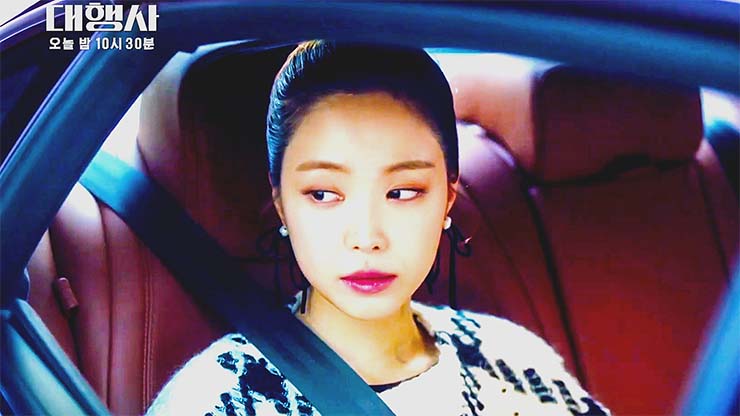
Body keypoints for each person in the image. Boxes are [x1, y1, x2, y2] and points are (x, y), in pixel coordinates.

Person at [146, 41, 609, 416]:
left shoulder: (512, 360)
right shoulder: (216, 400)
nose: (367, 237)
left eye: (402, 192)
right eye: (323, 194)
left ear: (448, 198)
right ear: (281, 204)